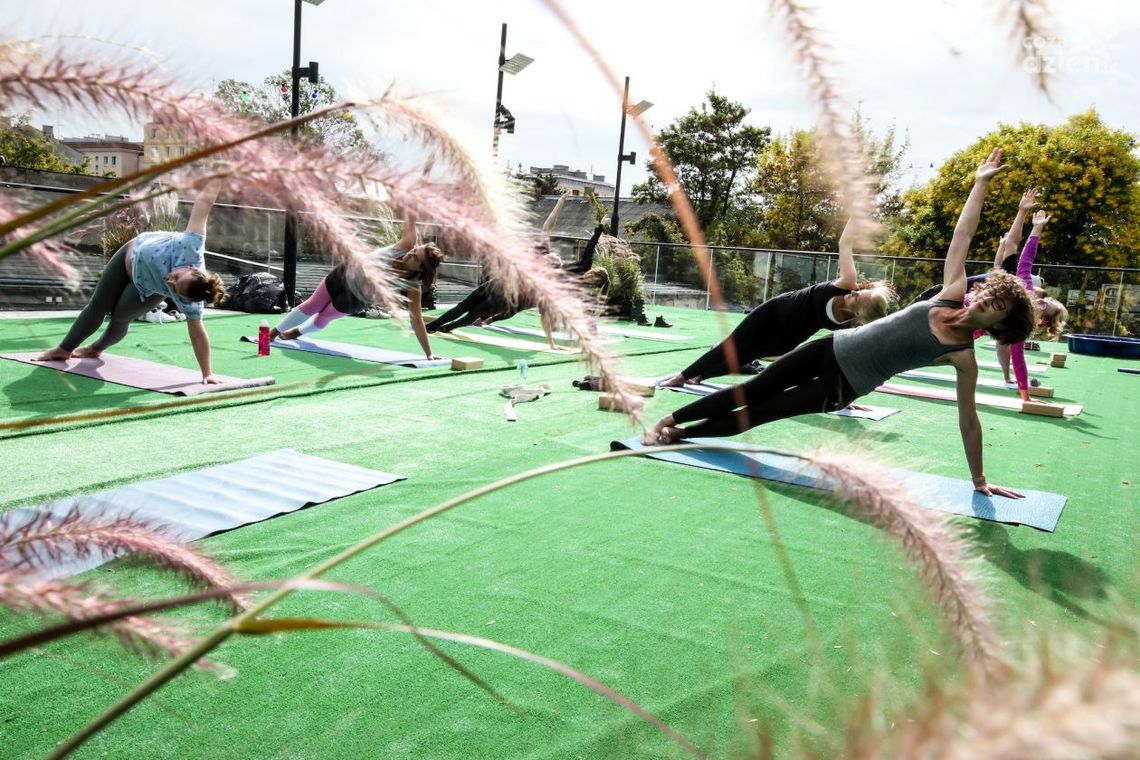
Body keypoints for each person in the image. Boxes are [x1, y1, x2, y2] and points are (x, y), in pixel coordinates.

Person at [643, 148, 1034, 498]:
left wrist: (980, 480)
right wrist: (979, 184)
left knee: (762, 412)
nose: (986, 296)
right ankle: (668, 419)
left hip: (842, 386)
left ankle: (681, 435)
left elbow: (968, 420)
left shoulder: (963, 356)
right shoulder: (951, 291)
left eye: (997, 304)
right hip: (828, 349)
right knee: (754, 389)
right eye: (991, 292)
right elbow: (962, 235)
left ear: (1001, 324)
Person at [658, 217, 897, 388]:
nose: (854, 291)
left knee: (742, 357)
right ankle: (683, 375)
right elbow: (845, 243)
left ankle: (701, 376)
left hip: (786, 340)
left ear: (857, 313)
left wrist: (845, 396)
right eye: (859, 291)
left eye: (857, 298)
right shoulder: (847, 282)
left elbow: (845, 359)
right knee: (733, 344)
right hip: (774, 311)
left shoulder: (849, 326)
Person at [35, 181, 227, 384]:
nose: (169, 280)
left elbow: (198, 336)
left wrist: (207, 374)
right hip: (129, 256)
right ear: (193, 269)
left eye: (173, 288)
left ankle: (96, 349)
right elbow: (204, 203)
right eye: (177, 277)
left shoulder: (191, 302)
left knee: (120, 318)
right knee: (98, 306)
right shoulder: (191, 245)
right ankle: (64, 349)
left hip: (147, 287)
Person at [270, 211, 446, 360]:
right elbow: (410, 213)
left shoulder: (412, 286)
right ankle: (273, 332)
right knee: (312, 305)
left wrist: (429, 354)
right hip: (344, 274)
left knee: (323, 318)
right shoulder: (406, 245)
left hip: (355, 299)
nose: (411, 253)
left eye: (416, 258)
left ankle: (298, 332)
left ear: (421, 270)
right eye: (415, 250)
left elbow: (416, 320)